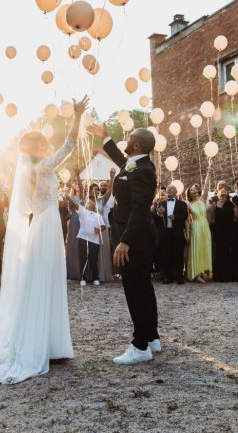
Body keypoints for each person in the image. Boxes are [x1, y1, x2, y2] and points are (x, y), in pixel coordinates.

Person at [0, 96, 88, 384]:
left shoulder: (32, 171)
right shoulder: (44, 166)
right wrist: (78, 116)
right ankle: (41, 346)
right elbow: (71, 144)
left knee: (42, 282)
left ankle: (48, 344)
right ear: (37, 147)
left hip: (42, 224)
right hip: (47, 225)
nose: (48, 144)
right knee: (45, 282)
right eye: (43, 142)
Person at [88, 122, 160, 365]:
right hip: (134, 236)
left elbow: (141, 209)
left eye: (129, 138)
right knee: (143, 287)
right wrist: (106, 137)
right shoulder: (134, 163)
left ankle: (139, 346)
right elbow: (122, 161)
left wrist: (125, 242)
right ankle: (151, 338)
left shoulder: (145, 170)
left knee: (136, 291)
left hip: (136, 239)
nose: (126, 141)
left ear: (137, 144)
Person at [153, 185, 189, 284]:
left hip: (177, 232)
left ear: (176, 191)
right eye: (168, 188)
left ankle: (179, 277)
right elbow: (156, 219)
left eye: (172, 188)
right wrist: (159, 213)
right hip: (165, 233)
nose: (169, 190)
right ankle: (168, 277)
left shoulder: (182, 204)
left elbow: (185, 215)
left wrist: (175, 217)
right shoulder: (161, 203)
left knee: (178, 255)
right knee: (166, 255)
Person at [186, 175, 213, 284]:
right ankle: (197, 274)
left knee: (205, 248)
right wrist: (187, 233)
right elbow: (187, 221)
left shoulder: (203, 199)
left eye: (194, 189)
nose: (194, 190)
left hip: (205, 226)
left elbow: (206, 187)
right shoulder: (188, 205)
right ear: (189, 194)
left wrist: (209, 173)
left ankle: (203, 272)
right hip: (196, 226)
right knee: (197, 249)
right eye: (191, 190)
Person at [208, 182, 237, 282]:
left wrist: (235, 209)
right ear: (218, 194)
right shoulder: (215, 205)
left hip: (229, 230)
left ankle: (229, 275)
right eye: (221, 193)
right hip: (218, 231)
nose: (223, 194)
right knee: (220, 252)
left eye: (225, 192)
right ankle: (219, 275)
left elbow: (236, 216)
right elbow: (210, 218)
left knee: (228, 252)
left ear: (228, 194)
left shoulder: (231, 203)